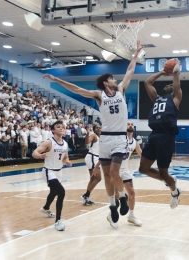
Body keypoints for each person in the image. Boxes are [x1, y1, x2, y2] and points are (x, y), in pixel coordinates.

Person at [43, 41, 143, 228]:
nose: (115, 80)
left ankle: (122, 198)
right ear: (106, 82)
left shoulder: (121, 89)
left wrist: (135, 55)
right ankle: (112, 205)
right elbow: (76, 89)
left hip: (119, 138)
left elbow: (130, 70)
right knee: (106, 176)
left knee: (114, 172)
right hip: (105, 139)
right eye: (113, 79)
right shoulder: (99, 95)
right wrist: (57, 80)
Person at [138, 59, 182, 209]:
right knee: (142, 169)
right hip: (154, 135)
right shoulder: (156, 99)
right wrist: (162, 72)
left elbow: (176, 74)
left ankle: (175, 192)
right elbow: (147, 83)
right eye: (167, 84)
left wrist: (176, 66)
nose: (169, 85)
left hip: (166, 137)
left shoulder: (176, 99)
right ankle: (170, 181)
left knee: (163, 172)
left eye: (171, 85)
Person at [32, 121, 72, 231]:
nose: (61, 128)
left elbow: (65, 157)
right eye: (58, 127)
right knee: (61, 192)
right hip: (48, 171)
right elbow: (34, 153)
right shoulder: (49, 142)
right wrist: (40, 155)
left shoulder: (65, 143)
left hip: (59, 171)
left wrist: (67, 161)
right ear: (53, 130)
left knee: (54, 192)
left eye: (62, 127)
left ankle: (46, 208)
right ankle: (58, 221)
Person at [118, 121, 143, 226]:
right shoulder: (120, 139)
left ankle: (131, 216)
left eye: (132, 124)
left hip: (124, 170)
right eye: (128, 124)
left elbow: (142, 154)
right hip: (115, 169)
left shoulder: (134, 142)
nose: (130, 125)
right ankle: (112, 214)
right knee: (116, 196)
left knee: (132, 193)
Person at [81, 125, 101, 206]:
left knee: (93, 179)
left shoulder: (100, 137)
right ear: (94, 129)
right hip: (92, 157)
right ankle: (86, 195)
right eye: (97, 128)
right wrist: (88, 133)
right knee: (98, 178)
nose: (99, 129)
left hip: (93, 158)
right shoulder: (93, 135)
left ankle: (86, 198)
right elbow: (87, 142)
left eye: (100, 127)